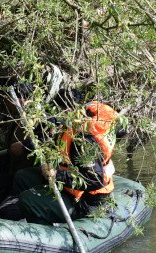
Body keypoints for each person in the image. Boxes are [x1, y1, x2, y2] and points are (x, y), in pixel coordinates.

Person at [10, 95, 124, 224]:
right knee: (22, 177)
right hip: (67, 188)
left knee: (28, 199)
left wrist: (57, 175)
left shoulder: (83, 142)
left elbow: (95, 180)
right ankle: (21, 216)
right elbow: (47, 137)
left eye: (62, 110)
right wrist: (26, 146)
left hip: (84, 202)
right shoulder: (69, 126)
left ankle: (43, 230)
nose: (59, 115)